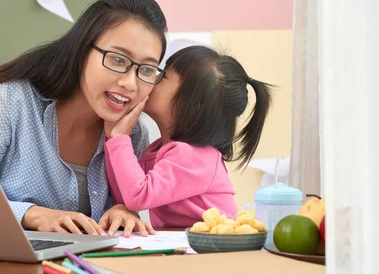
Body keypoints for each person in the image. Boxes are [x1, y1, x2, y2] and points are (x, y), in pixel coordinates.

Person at [0, 0, 264, 274]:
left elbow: (135, 201)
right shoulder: (9, 105)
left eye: (146, 70)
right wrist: (30, 214)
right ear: (82, 50)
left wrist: (124, 212)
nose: (129, 83)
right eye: (117, 59)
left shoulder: (132, 137)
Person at [105, 45, 273, 228]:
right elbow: (125, 194)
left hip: (215, 250)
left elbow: (138, 197)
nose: (152, 80)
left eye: (163, 76)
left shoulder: (195, 156)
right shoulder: (158, 149)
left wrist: (119, 139)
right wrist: (112, 139)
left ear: (193, 106)